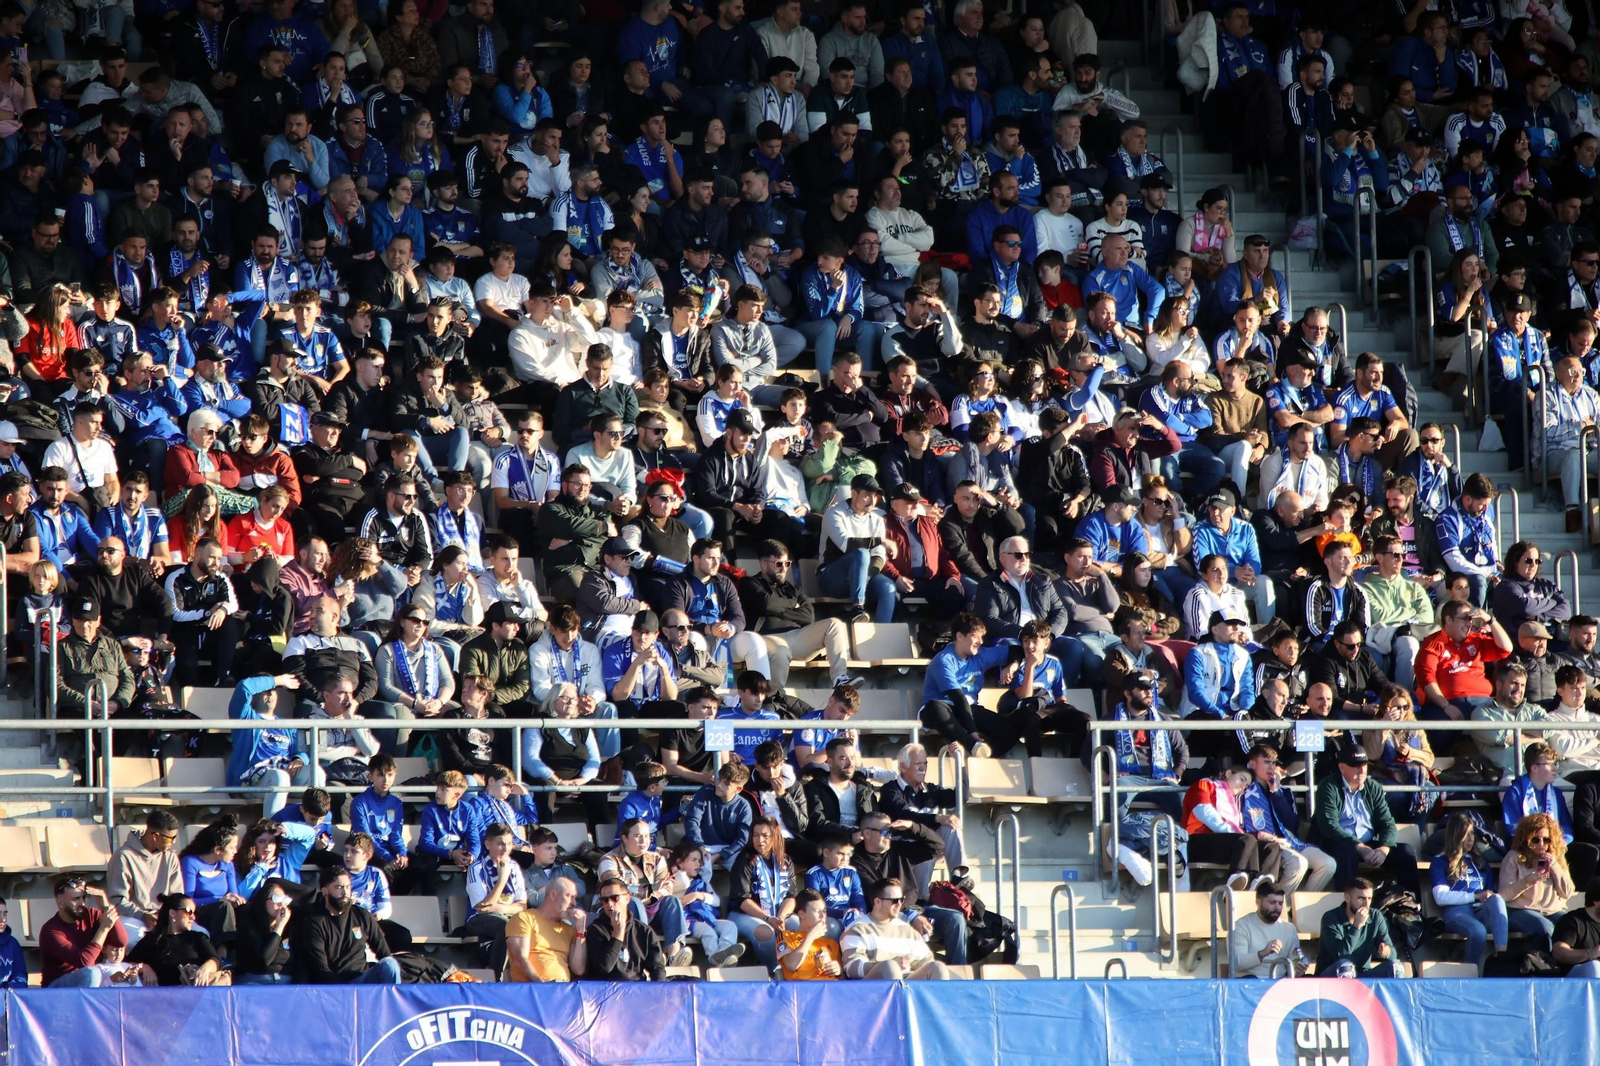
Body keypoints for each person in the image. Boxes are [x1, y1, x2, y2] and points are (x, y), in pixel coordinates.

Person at [1434, 811, 1550, 973]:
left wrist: (1486, 897)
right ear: (1455, 835)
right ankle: (1471, 973)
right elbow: (1440, 897)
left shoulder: (1479, 862)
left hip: (1480, 910)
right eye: (1466, 834)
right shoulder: (1441, 861)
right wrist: (1474, 896)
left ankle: (1501, 959)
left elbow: (1491, 894)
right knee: (1478, 931)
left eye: (1472, 834)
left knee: (1496, 899)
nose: (1470, 839)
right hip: (1457, 912)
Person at [1311, 745, 1421, 897]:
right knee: (1346, 851)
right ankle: (1347, 906)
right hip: (1336, 842)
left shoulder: (1373, 787)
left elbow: (1387, 823)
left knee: (1406, 852)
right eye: (1355, 766)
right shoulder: (1328, 786)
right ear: (1342, 767)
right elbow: (1329, 826)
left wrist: (1384, 848)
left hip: (1368, 843)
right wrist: (1358, 846)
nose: (1361, 771)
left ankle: (1412, 906)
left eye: (1364, 766)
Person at [1241, 744, 1337, 893]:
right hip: (1267, 844)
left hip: (1291, 842)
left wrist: (1276, 793)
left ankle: (1298, 909)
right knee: (1299, 864)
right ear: (1253, 764)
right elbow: (1246, 826)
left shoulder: (1284, 792)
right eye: (1266, 762)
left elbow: (1292, 824)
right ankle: (1278, 908)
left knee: (1328, 864)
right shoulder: (1245, 792)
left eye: (1274, 763)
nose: (1271, 767)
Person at [1185, 765, 1282, 891]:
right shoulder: (1204, 784)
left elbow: (1237, 831)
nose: (1243, 787)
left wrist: (1258, 835)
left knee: (1271, 847)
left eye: (1246, 786)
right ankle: (1236, 882)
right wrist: (1249, 836)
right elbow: (1205, 814)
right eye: (1242, 779)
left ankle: (1264, 887)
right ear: (1229, 773)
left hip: (1225, 843)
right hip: (1197, 842)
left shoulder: (1235, 802)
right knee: (1247, 840)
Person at [301, 866, 403, 983]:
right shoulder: (315, 922)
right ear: (325, 891)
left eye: (348, 887)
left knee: (389, 964)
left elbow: (383, 952)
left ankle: (392, 1000)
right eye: (338, 887)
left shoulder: (361, 914)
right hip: (336, 985)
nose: (345, 893)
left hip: (362, 978)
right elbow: (320, 968)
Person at [839, 876, 953, 980]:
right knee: (890, 968)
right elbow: (852, 968)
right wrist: (889, 964)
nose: (899, 904)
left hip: (907, 987)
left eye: (901, 899)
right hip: (873, 991)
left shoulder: (907, 931)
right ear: (877, 902)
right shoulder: (857, 929)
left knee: (937, 968)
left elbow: (926, 962)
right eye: (894, 900)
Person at [1501, 812, 1577, 952]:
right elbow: (1504, 895)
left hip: (1552, 910)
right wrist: (1526, 882)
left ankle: (1570, 967)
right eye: (1535, 840)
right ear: (1526, 839)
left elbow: (1567, 892)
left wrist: (1554, 866)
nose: (1541, 844)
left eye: (1546, 840)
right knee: (1544, 928)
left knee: (1572, 925)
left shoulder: (1557, 858)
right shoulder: (1514, 857)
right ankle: (1545, 968)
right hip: (1520, 910)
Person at [39, 877, 134, 987]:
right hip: (57, 988)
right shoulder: (51, 930)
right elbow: (85, 962)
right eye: (76, 899)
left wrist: (106, 907)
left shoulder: (91, 915)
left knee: (119, 973)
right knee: (92, 973)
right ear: (60, 903)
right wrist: (103, 929)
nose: (82, 903)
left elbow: (121, 942)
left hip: (87, 980)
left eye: (83, 898)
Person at [106, 812, 182, 947]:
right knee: (137, 940)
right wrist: (142, 915)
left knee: (199, 933)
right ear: (155, 836)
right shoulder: (123, 856)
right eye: (170, 838)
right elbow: (117, 900)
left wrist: (166, 916)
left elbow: (177, 897)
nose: (174, 842)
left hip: (164, 916)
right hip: (132, 917)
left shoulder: (171, 858)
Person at [125, 893, 226, 986]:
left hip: (196, 995)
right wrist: (144, 967)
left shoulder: (198, 937)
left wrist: (206, 968)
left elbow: (215, 959)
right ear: (173, 913)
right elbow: (126, 964)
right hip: (164, 999)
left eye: (194, 913)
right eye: (188, 912)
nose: (193, 917)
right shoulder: (153, 940)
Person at [505, 875, 588, 982]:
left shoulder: (569, 930)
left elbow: (578, 969)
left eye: (575, 897)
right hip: (532, 990)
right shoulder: (524, 918)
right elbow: (519, 959)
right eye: (569, 896)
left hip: (562, 989)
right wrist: (543, 986)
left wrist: (581, 931)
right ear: (553, 895)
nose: (574, 903)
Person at [584, 876, 668, 981]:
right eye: (605, 900)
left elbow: (657, 969)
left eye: (615, 898)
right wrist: (617, 933)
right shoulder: (595, 930)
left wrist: (658, 993)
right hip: (606, 992)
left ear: (627, 898)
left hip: (636, 991)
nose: (610, 903)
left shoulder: (643, 931)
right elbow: (604, 967)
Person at [1315, 878, 1401, 977]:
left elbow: (1393, 954)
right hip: (1332, 975)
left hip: (1362, 974)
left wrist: (1387, 952)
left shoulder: (1375, 916)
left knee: (1396, 967)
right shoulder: (1330, 918)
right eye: (1361, 898)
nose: (1366, 904)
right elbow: (1340, 955)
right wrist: (1356, 926)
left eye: (1369, 898)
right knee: (1345, 967)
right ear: (1347, 898)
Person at [1231, 880, 1303, 978]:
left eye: (1280, 903)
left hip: (1280, 982)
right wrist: (1263, 953)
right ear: (1258, 902)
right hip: (1250, 982)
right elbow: (1236, 964)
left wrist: (1298, 967)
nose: (1277, 908)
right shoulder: (1241, 926)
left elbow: (1295, 959)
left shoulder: (1289, 929)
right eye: (1272, 902)